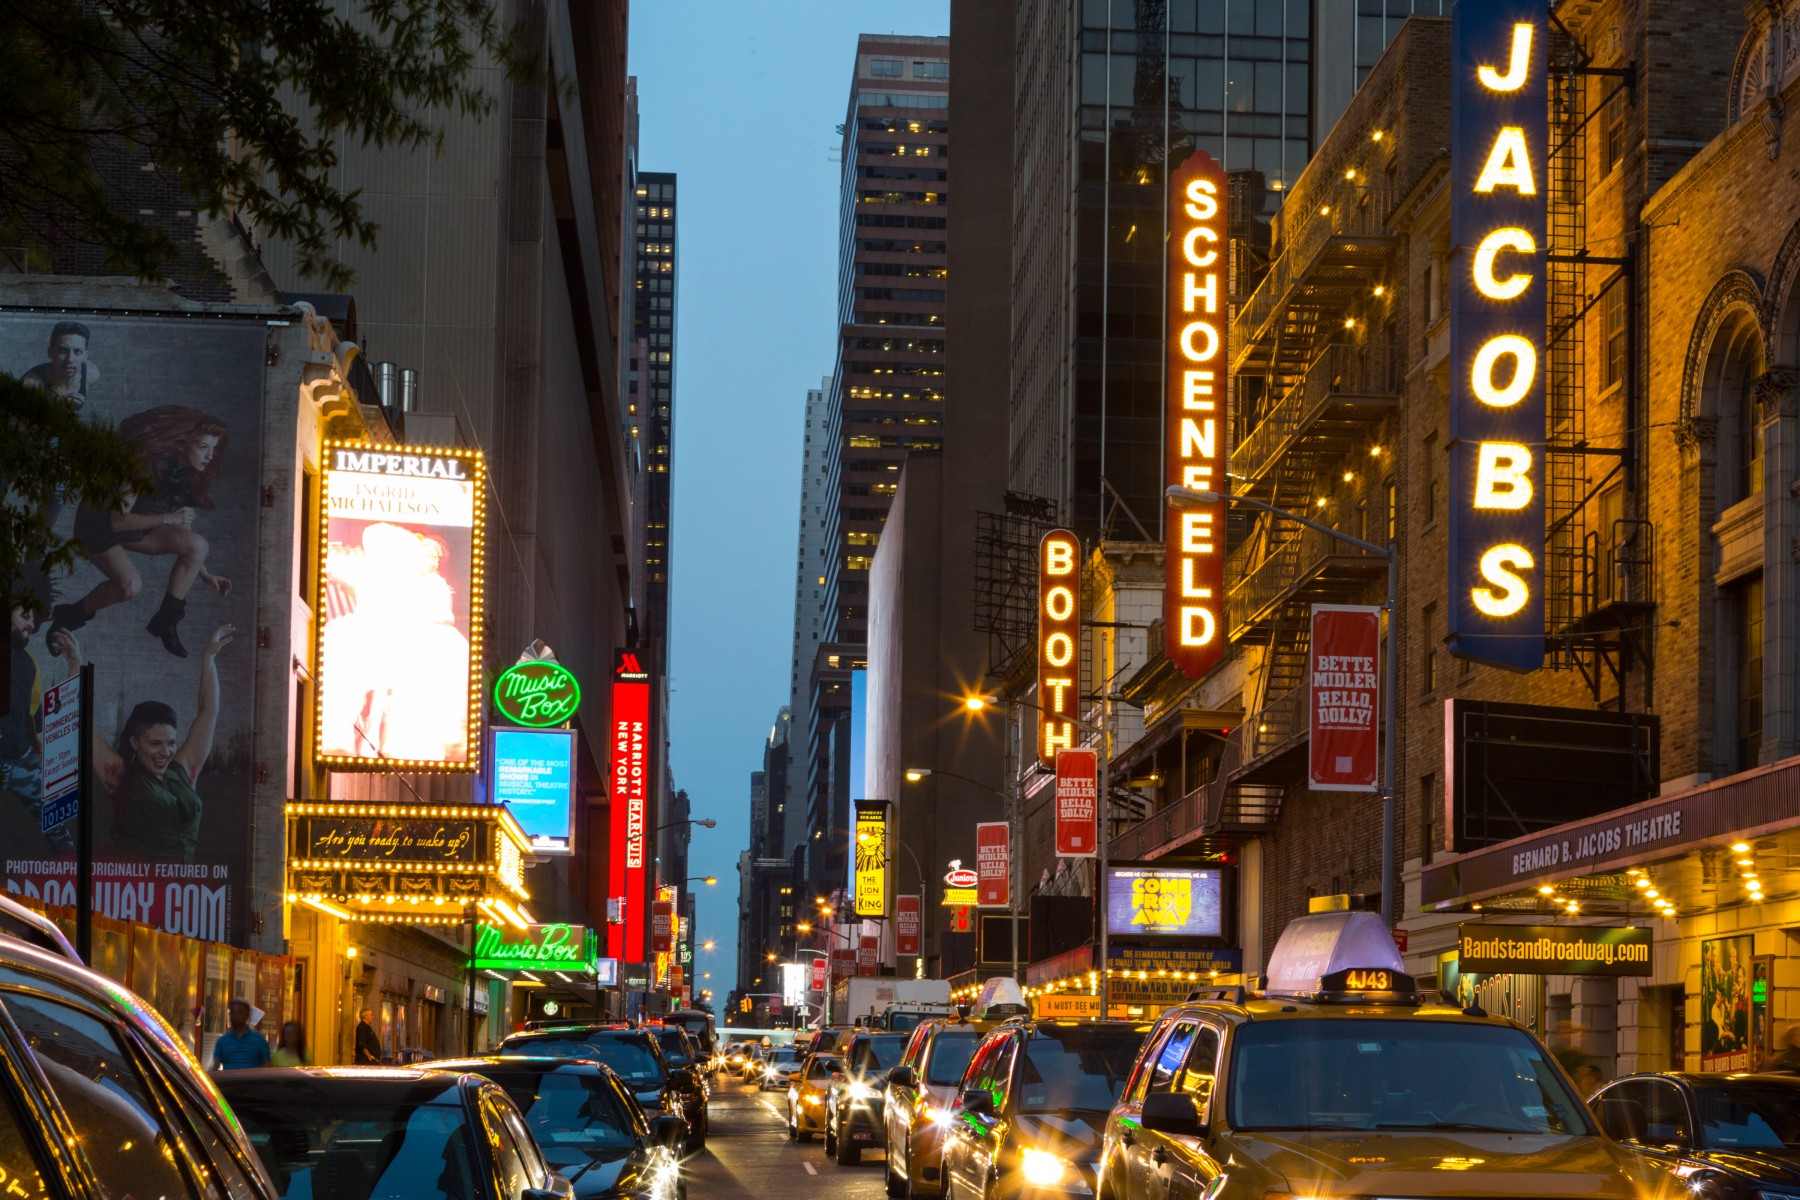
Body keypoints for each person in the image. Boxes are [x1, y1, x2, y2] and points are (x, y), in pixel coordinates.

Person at [51, 406, 232, 658]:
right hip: (99, 525)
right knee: (130, 587)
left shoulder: (186, 474)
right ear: (182, 444)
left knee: (198, 545)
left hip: (141, 526)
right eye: (203, 447)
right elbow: (117, 521)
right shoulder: (143, 464)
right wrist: (167, 518)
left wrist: (203, 572)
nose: (210, 456)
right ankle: (69, 615)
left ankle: (166, 620)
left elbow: (183, 530)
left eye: (214, 448)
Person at [88, 623, 233, 863]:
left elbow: (209, 712)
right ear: (134, 742)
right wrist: (74, 664)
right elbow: (82, 725)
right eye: (155, 743)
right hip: (139, 890)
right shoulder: (121, 775)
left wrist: (209, 656)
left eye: (171, 743)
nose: (165, 753)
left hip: (182, 891)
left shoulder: (181, 774)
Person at [1, 569, 76, 852]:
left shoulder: (29, 663)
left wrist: (50, 767)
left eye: (35, 619)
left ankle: (72, 886)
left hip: (21, 761)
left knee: (60, 834)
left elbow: (36, 720)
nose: (32, 625)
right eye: (25, 616)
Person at [20, 321, 99, 408]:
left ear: (85, 356)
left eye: (78, 352)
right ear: (50, 352)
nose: (70, 359)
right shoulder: (31, 383)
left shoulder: (91, 374)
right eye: (63, 351)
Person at [212, 999, 270, 1071]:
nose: (235, 1015)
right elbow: (215, 1066)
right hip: (229, 1081)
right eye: (233, 1012)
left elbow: (267, 1065)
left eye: (239, 1012)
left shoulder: (260, 1040)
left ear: (247, 1015)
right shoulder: (222, 1041)